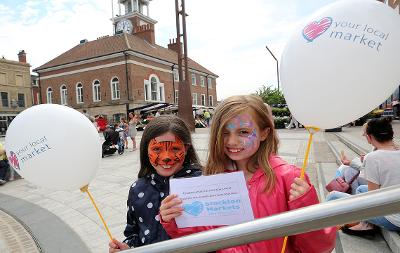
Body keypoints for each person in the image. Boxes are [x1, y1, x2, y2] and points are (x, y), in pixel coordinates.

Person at [159, 95, 336, 253]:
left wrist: (306, 206)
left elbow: (319, 247)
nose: (232, 141)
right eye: (225, 133)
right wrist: (176, 219)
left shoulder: (289, 179)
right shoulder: (214, 180)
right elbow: (202, 237)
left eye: (243, 132)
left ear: (264, 133)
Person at [108, 115, 203, 252]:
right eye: (157, 149)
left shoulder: (202, 184)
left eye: (175, 149)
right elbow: (134, 232)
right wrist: (127, 248)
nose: (166, 158)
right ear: (146, 150)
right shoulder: (137, 189)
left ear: (186, 148)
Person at [327, 117, 400, 236]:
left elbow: (372, 199)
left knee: (333, 196)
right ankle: (364, 225)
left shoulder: (373, 158)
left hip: (394, 218)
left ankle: (323, 234)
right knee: (361, 189)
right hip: (395, 204)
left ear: (369, 137)